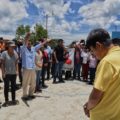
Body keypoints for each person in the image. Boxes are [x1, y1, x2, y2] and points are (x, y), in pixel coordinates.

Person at [83, 28, 120, 120]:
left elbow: (95, 96)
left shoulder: (107, 61)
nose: (93, 54)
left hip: (103, 115)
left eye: (92, 50)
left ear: (98, 45)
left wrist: (88, 107)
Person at [21, 33, 48, 100]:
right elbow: (25, 41)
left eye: (30, 43)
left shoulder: (33, 49)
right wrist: (27, 36)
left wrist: (45, 41)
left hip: (33, 68)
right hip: (26, 68)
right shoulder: (23, 49)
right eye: (28, 43)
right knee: (25, 83)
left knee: (33, 82)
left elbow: (40, 45)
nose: (29, 44)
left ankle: (31, 94)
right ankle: (24, 96)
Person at [1, 41, 19, 106]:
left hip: (13, 73)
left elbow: (16, 63)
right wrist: (3, 73)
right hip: (7, 73)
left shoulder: (15, 53)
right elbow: (2, 64)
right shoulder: (4, 53)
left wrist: (17, 71)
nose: (13, 47)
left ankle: (13, 100)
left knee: (13, 87)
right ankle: (6, 101)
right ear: (8, 46)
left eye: (14, 46)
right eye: (11, 46)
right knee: (6, 87)